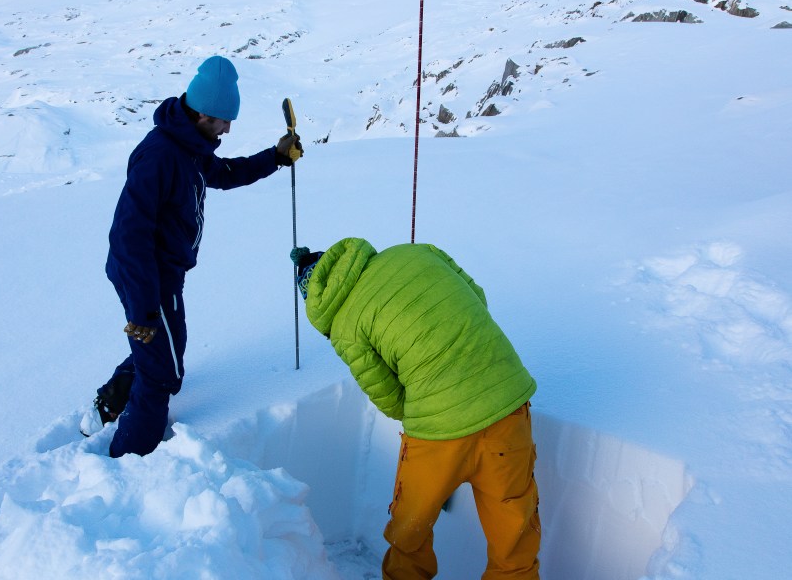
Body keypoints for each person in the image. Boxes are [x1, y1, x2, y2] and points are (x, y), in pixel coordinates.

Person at [80, 55, 303, 458]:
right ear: (202, 114)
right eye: (223, 121)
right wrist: (143, 310)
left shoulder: (191, 147)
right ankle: (126, 461)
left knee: (168, 352)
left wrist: (274, 156)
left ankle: (110, 401)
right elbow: (129, 237)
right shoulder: (160, 156)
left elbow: (225, 174)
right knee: (162, 374)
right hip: (146, 278)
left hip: (164, 275)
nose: (228, 129)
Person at [291, 237, 540, 580]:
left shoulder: (344, 325)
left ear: (315, 300)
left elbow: (388, 395)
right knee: (514, 538)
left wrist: (431, 405)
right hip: (507, 398)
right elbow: (477, 298)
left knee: (410, 534)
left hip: (438, 432)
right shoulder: (415, 251)